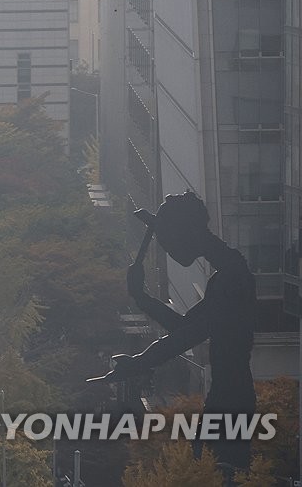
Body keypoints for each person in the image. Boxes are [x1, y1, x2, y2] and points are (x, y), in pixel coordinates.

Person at [100, 192, 255, 474]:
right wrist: (142, 298)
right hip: (227, 393)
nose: (170, 252)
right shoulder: (227, 272)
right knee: (205, 468)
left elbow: (186, 336)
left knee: (210, 471)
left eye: (170, 243)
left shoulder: (231, 277)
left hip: (231, 397)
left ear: (189, 233)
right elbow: (184, 327)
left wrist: (137, 363)